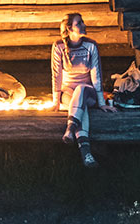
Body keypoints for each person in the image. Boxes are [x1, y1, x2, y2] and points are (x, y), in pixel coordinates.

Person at [51, 12, 117, 168]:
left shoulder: (91, 46)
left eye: (82, 22)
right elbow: (57, 75)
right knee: (80, 106)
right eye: (79, 23)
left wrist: (102, 103)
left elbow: (96, 76)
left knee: (80, 90)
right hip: (68, 94)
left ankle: (70, 128)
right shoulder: (58, 47)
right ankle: (86, 153)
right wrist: (55, 102)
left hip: (88, 92)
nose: (83, 25)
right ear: (69, 29)